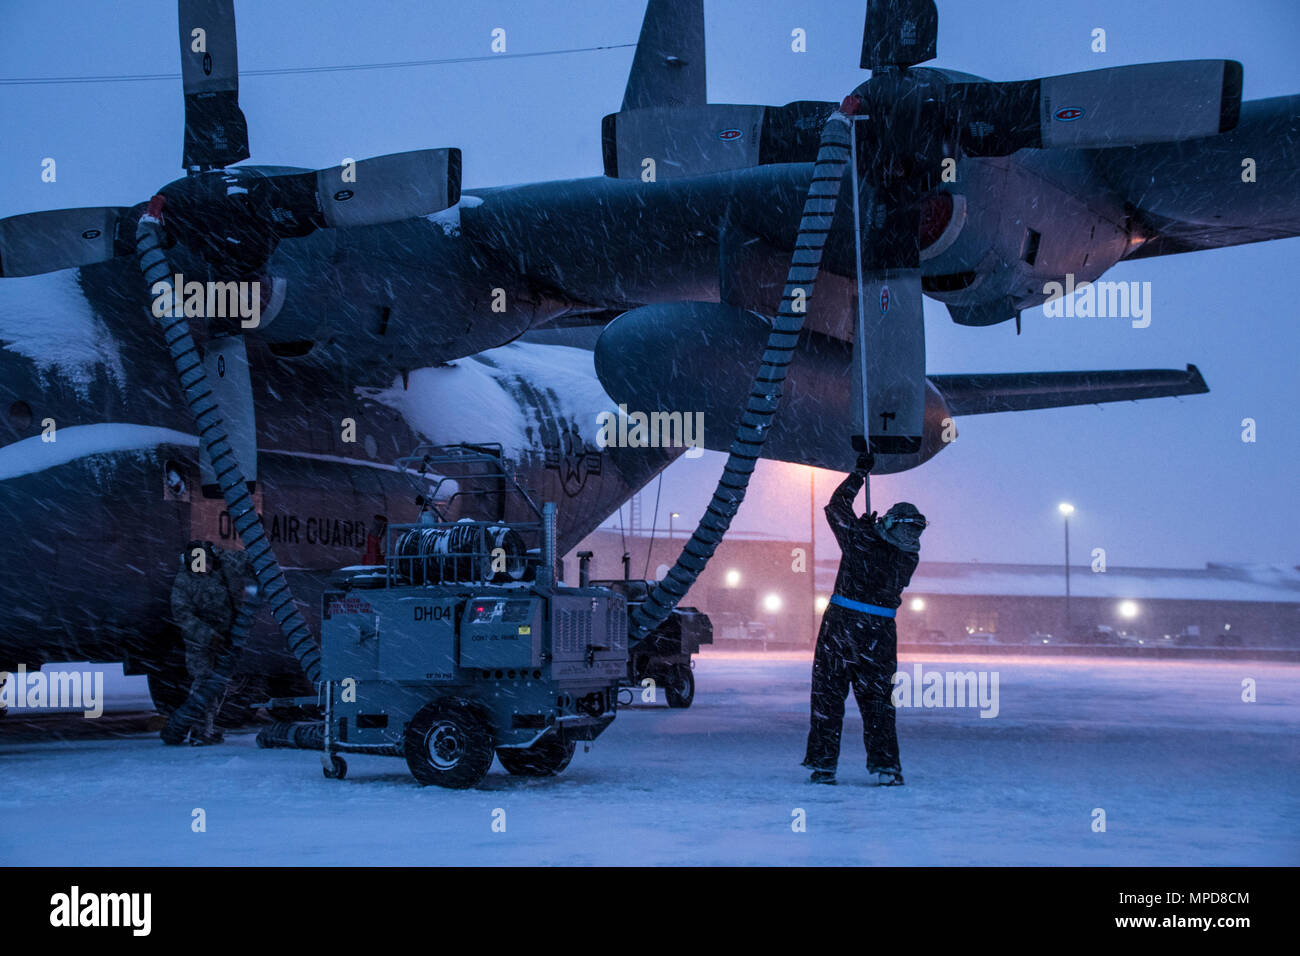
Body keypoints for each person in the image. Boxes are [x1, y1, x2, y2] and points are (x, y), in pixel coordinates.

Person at [802, 451, 927, 785]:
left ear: (888, 524)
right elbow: (880, 546)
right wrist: (868, 531)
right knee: (879, 703)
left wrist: (858, 473)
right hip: (880, 633)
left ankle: (824, 766)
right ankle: (887, 768)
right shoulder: (908, 556)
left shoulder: (861, 541)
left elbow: (835, 507)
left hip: (842, 627)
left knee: (829, 696)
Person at [170, 540, 257, 745]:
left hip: (226, 634)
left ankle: (207, 728)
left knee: (219, 684)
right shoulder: (184, 582)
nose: (203, 569)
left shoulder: (226, 562)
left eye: (206, 563)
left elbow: (253, 560)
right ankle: (200, 730)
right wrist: (209, 636)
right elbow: (183, 616)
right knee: (204, 683)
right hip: (200, 641)